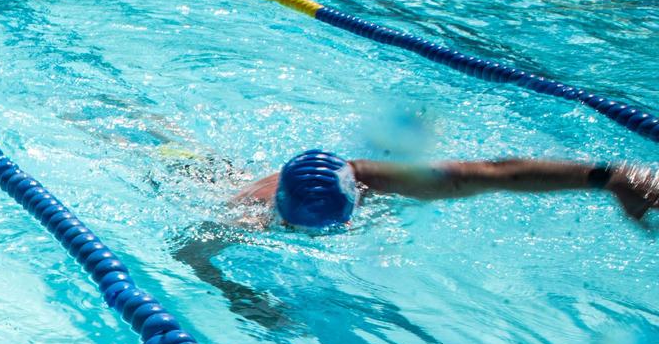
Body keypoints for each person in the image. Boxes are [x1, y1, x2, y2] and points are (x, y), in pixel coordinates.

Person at [238, 149, 659, 228]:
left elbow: (499, 173)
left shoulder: (375, 178)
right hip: (234, 188)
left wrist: (610, 178)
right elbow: (191, 253)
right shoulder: (249, 216)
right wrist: (237, 295)